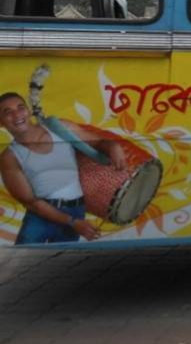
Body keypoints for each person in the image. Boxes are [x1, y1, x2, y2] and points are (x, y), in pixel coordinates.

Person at [0, 92, 126, 244]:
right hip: (41, 215)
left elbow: (98, 143)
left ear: (28, 111)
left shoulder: (59, 127)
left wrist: (113, 146)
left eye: (21, 107)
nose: (17, 114)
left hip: (76, 209)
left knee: (62, 264)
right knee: (23, 262)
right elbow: (30, 201)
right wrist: (72, 222)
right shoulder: (9, 157)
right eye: (7, 112)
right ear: (1, 122)